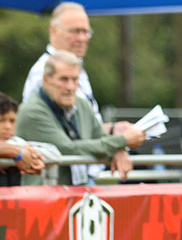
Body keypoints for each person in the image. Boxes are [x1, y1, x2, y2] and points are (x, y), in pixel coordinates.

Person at [22, 2, 135, 178]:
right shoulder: (43, 73)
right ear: (53, 31)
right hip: (54, 180)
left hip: (80, 175)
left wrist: (113, 132)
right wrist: (119, 142)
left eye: (86, 32)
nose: (82, 38)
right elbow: (64, 143)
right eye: (75, 31)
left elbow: (85, 128)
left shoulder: (76, 68)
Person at [16, 51, 145, 186]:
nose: (70, 87)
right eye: (63, 79)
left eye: (75, 79)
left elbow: (101, 138)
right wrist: (123, 140)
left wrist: (118, 150)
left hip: (78, 194)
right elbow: (67, 149)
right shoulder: (32, 111)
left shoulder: (82, 104)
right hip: (41, 198)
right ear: (46, 79)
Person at [0, 92, 45, 187]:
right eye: (1, 120)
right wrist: (18, 153)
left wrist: (34, 157)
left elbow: (53, 152)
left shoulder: (17, 142)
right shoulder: (18, 147)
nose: (7, 126)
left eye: (12, 121)